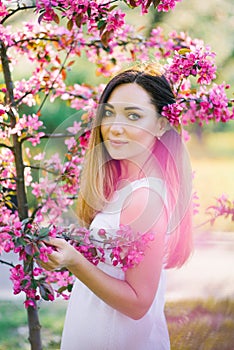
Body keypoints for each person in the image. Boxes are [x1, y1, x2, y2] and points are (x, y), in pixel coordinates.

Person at [41, 63, 193, 350]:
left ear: (162, 124)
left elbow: (137, 303)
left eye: (133, 116)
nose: (115, 127)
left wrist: (74, 261)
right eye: (109, 113)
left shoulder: (143, 197)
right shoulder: (123, 189)